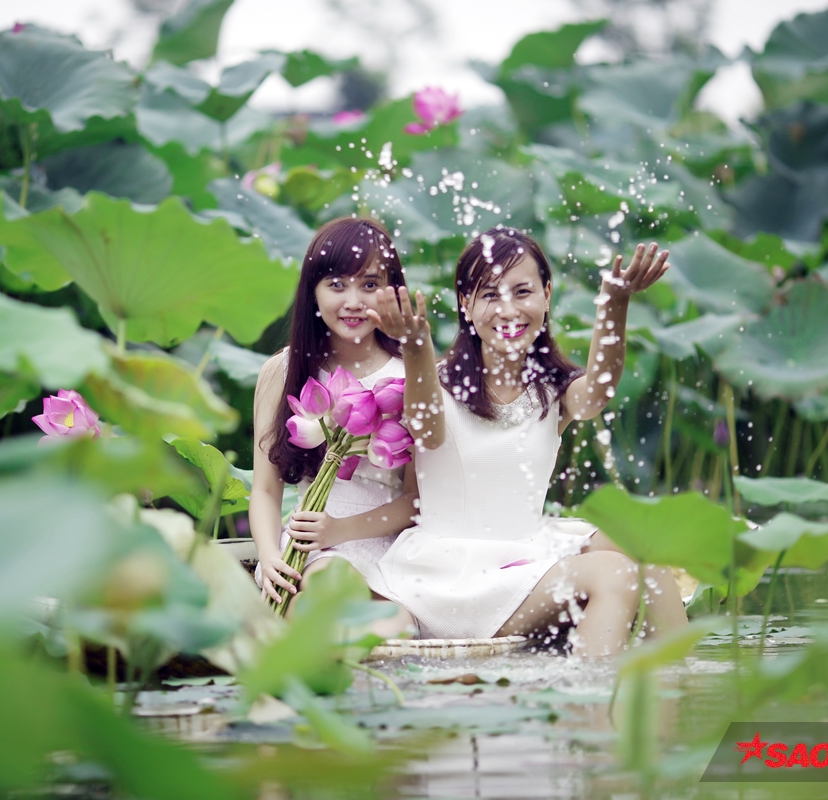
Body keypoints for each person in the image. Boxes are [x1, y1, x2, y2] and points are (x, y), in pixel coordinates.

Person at [365, 228, 687, 656]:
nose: (508, 310)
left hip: (528, 551)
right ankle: (591, 692)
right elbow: (425, 428)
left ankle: (680, 682)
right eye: (490, 295)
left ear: (546, 295)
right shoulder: (435, 383)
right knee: (614, 573)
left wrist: (615, 302)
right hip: (455, 575)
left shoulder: (551, 390)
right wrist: (415, 346)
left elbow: (599, 392)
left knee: (647, 555)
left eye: (522, 292)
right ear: (465, 304)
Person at [250, 217, 421, 634]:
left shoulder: (411, 377)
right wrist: (269, 556)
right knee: (327, 582)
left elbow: (418, 501)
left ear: (393, 289)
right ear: (313, 290)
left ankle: (298, 645)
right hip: (307, 547)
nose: (353, 301)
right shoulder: (282, 371)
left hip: (385, 542)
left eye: (370, 284)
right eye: (337, 284)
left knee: (391, 624)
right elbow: (266, 490)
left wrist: (340, 530)